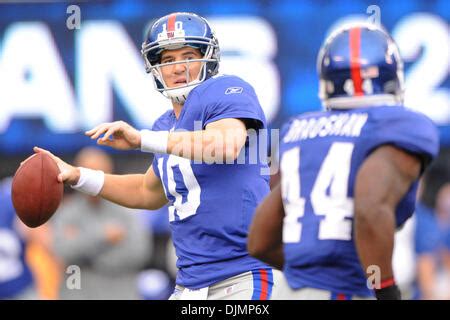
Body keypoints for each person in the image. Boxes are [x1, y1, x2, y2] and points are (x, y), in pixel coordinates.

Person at [34, 12, 283, 300]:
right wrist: (79, 176)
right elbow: (146, 192)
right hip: (190, 281)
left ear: (208, 58)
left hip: (240, 274)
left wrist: (142, 140)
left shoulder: (225, 91)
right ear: (155, 67)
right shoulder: (165, 126)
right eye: (168, 60)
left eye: (188, 55)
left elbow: (225, 143)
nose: (178, 67)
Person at [247, 22, 439, 300]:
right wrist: (385, 291)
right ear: (392, 77)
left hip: (291, 291)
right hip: (343, 291)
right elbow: (370, 208)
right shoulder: (404, 124)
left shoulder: (299, 129)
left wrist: (308, 274)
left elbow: (259, 242)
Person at [51, 147, 151, 300]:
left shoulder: (128, 209)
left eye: (97, 172)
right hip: (77, 294)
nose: (90, 180)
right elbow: (62, 252)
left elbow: (138, 253)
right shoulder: (67, 212)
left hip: (120, 295)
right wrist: (103, 237)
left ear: (109, 173)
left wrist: (85, 256)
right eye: (86, 172)